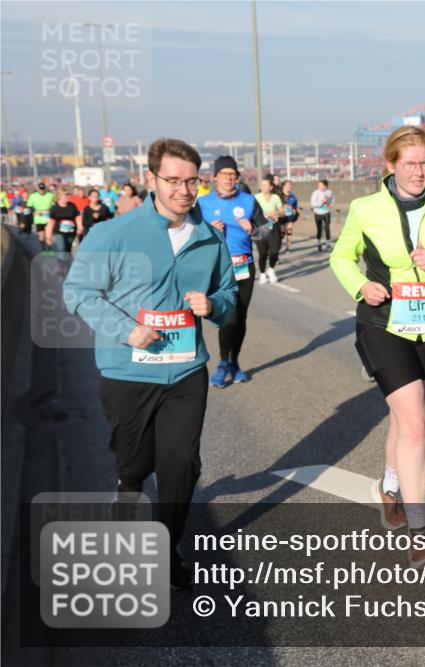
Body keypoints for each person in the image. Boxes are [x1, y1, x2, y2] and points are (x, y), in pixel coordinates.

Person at [63, 138, 237, 589]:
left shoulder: (209, 238)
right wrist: (127, 330)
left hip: (185, 372)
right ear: (151, 179)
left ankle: (167, 550)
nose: (183, 190)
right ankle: (127, 491)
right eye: (173, 180)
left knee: (180, 463)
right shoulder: (113, 234)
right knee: (135, 462)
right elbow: (77, 293)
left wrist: (213, 304)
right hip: (128, 371)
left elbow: (230, 299)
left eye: (191, 181)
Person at [331, 126, 425, 565]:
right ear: (391, 165)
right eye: (410, 164)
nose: (419, 172)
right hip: (383, 325)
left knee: (405, 418)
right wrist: (361, 286)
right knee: (415, 423)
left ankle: (388, 486)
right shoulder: (366, 209)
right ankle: (420, 534)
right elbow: (340, 257)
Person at [197, 155, 268, 387]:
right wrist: (207, 231)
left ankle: (233, 362)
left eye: (233, 174)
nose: (229, 178)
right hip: (219, 268)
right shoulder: (203, 203)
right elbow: (189, 234)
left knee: (241, 318)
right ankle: (222, 363)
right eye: (224, 174)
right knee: (228, 317)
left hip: (244, 265)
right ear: (215, 176)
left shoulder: (248, 201)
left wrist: (254, 230)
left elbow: (267, 230)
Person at [254, 177, 283, 284]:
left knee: (275, 251)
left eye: (265, 185)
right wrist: (267, 214)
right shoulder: (256, 197)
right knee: (262, 253)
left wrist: (277, 213)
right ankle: (262, 274)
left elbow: (282, 211)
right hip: (260, 228)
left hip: (273, 227)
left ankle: (271, 269)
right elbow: (252, 212)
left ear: (271, 187)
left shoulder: (276, 197)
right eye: (262, 185)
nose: (263, 187)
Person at [45, 189, 82, 255]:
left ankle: (67, 264)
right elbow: (51, 222)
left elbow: (77, 217)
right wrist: (48, 236)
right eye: (66, 195)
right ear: (60, 196)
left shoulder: (72, 206)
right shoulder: (54, 208)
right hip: (58, 232)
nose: (68, 196)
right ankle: (61, 264)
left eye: (69, 194)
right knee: (61, 248)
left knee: (68, 250)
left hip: (71, 231)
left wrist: (80, 226)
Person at [27, 182, 55, 246]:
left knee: (48, 236)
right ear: (37, 189)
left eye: (43, 189)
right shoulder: (33, 196)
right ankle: (43, 248)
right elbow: (29, 206)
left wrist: (49, 210)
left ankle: (49, 250)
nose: (41, 191)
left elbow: (54, 205)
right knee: (41, 236)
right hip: (38, 219)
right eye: (40, 189)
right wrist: (34, 211)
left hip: (49, 218)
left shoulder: (50, 195)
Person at [311, 178, 335, 252]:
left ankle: (328, 244)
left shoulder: (329, 192)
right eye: (319, 185)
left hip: (326, 212)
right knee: (319, 228)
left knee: (327, 228)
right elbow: (313, 203)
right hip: (318, 213)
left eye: (321, 185)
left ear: (325, 186)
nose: (319, 187)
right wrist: (322, 202)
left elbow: (332, 199)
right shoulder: (315, 193)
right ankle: (319, 242)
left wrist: (329, 203)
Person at [279, 179, 299, 254]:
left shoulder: (293, 196)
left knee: (289, 231)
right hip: (281, 216)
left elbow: (295, 206)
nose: (289, 187)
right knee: (282, 233)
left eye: (290, 186)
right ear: (283, 186)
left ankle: (288, 248)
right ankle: (278, 245)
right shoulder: (279, 195)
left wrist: (295, 211)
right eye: (288, 185)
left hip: (289, 216)